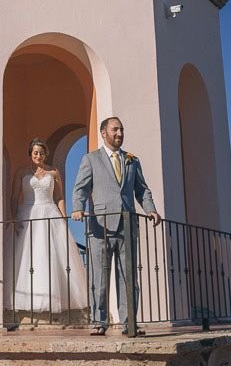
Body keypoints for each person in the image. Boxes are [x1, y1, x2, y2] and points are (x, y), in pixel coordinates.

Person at [71, 117, 161, 335]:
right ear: (104, 133)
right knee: (99, 277)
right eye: (115, 129)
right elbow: (81, 188)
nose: (120, 133)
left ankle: (129, 322)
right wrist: (77, 207)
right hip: (99, 226)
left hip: (127, 226)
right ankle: (99, 322)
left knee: (129, 276)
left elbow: (142, 189)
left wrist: (150, 209)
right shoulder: (91, 159)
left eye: (121, 129)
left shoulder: (132, 160)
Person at [10, 138, 89, 314]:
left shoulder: (53, 172)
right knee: (29, 257)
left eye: (42, 152)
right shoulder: (21, 172)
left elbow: (59, 197)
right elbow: (15, 197)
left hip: (49, 212)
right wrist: (14, 219)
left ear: (46, 154)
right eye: (35, 152)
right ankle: (31, 298)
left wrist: (63, 217)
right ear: (30, 153)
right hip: (28, 214)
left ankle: (54, 298)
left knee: (50, 255)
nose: (39, 155)